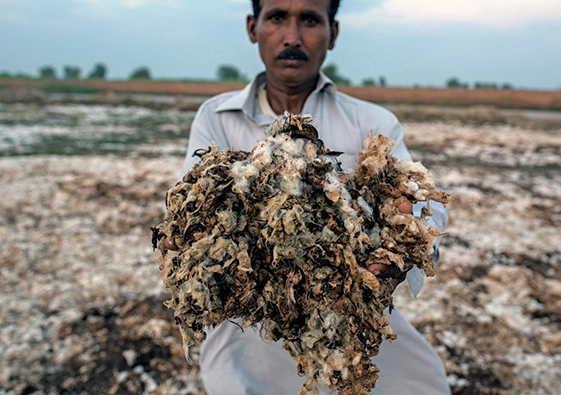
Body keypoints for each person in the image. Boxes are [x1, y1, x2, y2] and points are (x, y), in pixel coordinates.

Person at [176, 0, 450, 393]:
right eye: (276, 18)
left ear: (332, 33)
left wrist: (409, 231)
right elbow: (190, 204)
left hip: (345, 308)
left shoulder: (371, 123)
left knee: (425, 385)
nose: (292, 37)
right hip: (248, 318)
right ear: (253, 28)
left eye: (309, 19)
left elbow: (425, 210)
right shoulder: (216, 118)